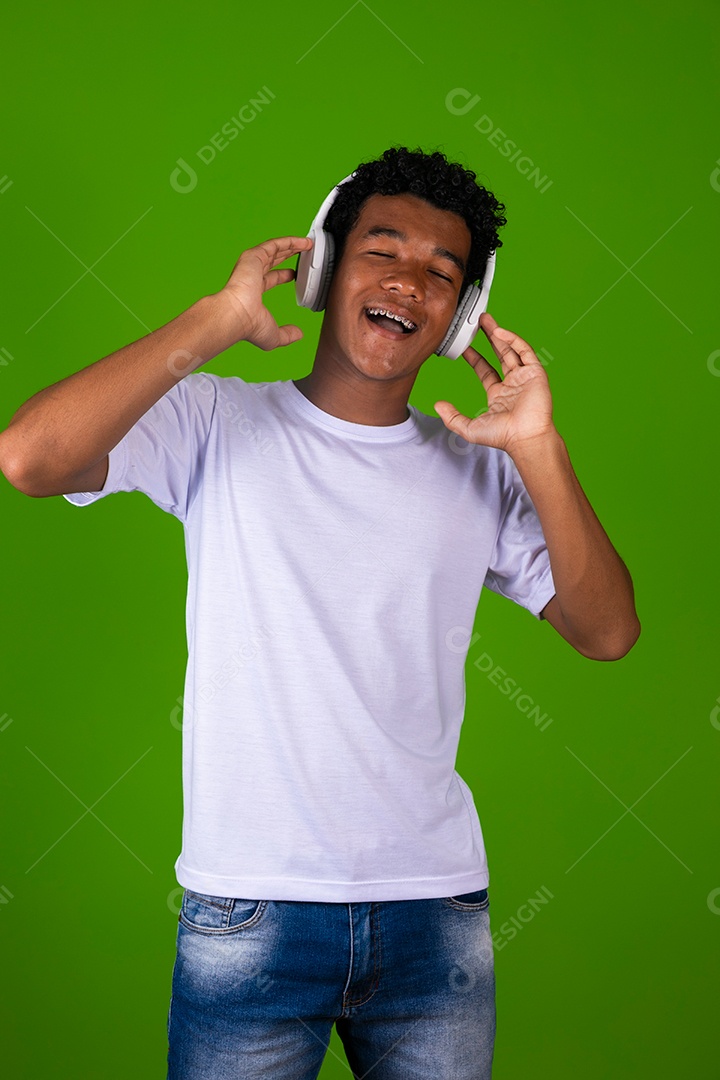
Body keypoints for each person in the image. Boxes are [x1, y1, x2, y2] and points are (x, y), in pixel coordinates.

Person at [0, 146, 640, 1079]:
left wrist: (539, 447)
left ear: (459, 318)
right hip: (248, 912)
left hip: (436, 917)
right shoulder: (213, 422)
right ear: (327, 265)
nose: (408, 283)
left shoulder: (481, 465)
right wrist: (215, 321)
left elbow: (607, 630)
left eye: (441, 273)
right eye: (383, 250)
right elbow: (29, 457)